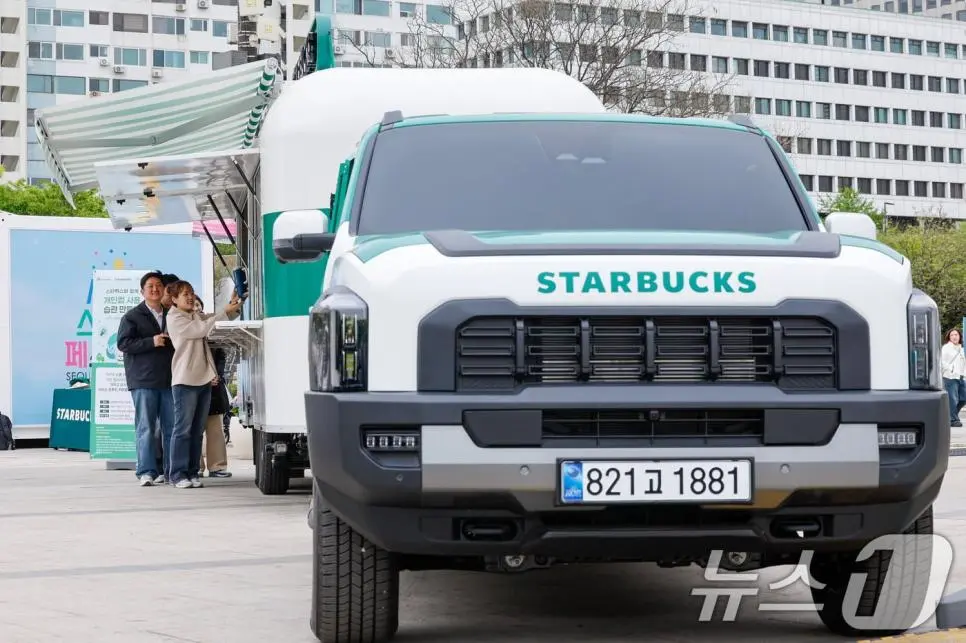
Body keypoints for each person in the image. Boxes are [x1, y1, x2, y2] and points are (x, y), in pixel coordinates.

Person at [165, 280, 242, 489]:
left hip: (204, 379)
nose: (190, 297)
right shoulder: (174, 318)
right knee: (183, 430)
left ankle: (191, 473)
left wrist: (232, 307)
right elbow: (200, 329)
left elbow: (213, 320)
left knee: (197, 430)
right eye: (184, 294)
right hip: (185, 380)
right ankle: (178, 474)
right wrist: (224, 311)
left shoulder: (194, 315)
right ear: (174, 300)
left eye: (191, 293)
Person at [116, 271, 175, 487]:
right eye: (150, 286)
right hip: (143, 380)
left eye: (159, 285)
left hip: (170, 380)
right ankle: (146, 471)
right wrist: (151, 341)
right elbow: (123, 344)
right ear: (142, 291)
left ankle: (170, 471)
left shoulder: (172, 314)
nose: (155, 289)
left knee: (171, 428)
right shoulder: (132, 316)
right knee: (147, 427)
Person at [194, 298, 233, 479]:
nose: (197, 308)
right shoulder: (185, 328)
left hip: (214, 388)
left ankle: (217, 466)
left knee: (215, 428)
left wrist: (216, 375)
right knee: (194, 429)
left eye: (199, 306)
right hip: (193, 385)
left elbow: (221, 357)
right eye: (193, 305)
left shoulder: (214, 331)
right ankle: (196, 466)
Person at [941, 328, 966, 428]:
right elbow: (941, 362)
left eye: (956, 335)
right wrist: (951, 369)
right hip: (950, 377)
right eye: (952, 335)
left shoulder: (961, 349)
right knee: (953, 399)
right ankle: (953, 419)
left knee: (964, 398)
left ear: (959, 336)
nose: (954, 337)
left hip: (961, 377)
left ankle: (950, 415)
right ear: (949, 337)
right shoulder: (946, 348)